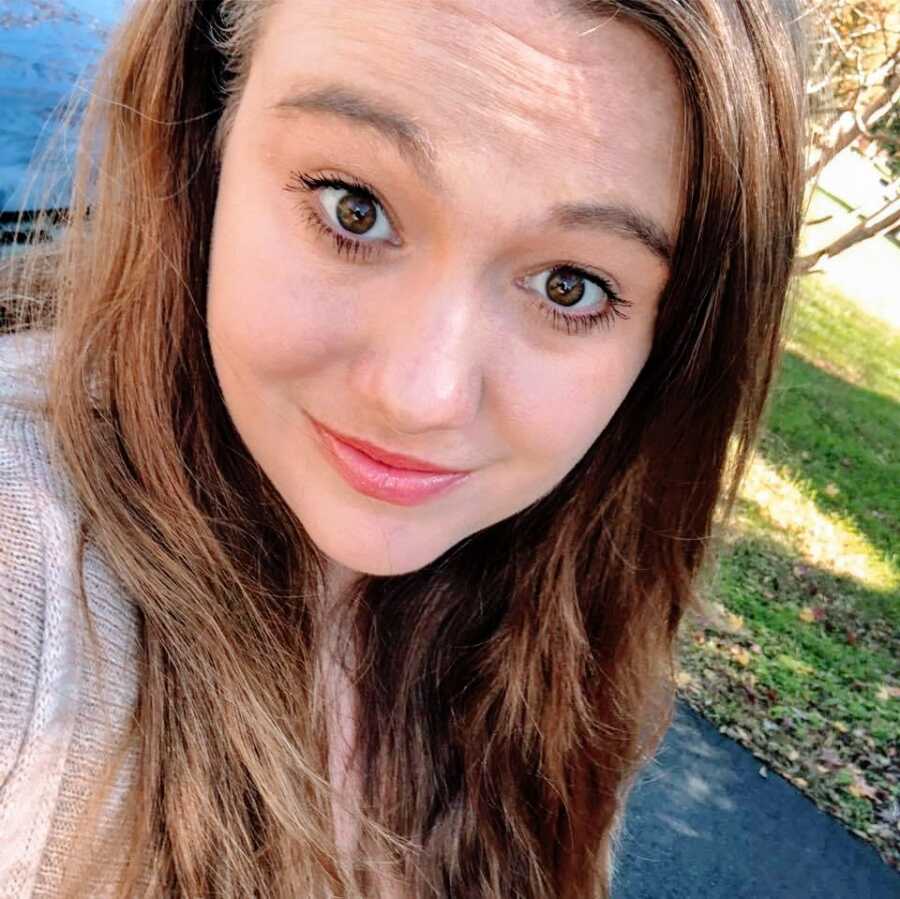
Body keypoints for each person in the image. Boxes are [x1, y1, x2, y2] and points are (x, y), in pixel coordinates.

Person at [0, 0, 809, 896]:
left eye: (570, 286)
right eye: (355, 206)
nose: (423, 395)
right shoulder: (25, 554)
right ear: (205, 135)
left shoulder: (565, 645)